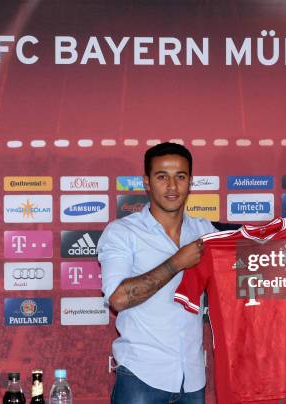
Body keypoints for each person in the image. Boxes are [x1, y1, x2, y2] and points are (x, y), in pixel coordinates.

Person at [97, 142, 217, 404]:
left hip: (193, 379)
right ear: (147, 182)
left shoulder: (206, 231)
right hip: (141, 377)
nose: (172, 187)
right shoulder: (122, 233)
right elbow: (117, 299)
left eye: (180, 177)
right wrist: (176, 263)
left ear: (190, 182)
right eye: (162, 177)